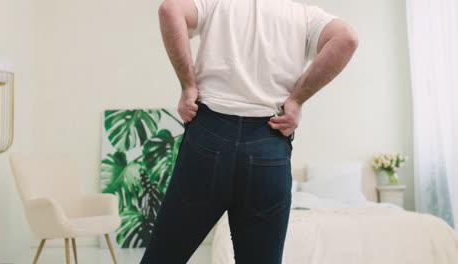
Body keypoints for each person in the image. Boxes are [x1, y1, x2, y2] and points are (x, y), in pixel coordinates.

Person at [140, 0, 358, 263]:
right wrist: (297, 100)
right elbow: (347, 38)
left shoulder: (217, 4)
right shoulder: (305, 15)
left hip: (208, 136)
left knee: (164, 257)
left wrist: (188, 86)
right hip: (269, 141)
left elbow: (169, 9)